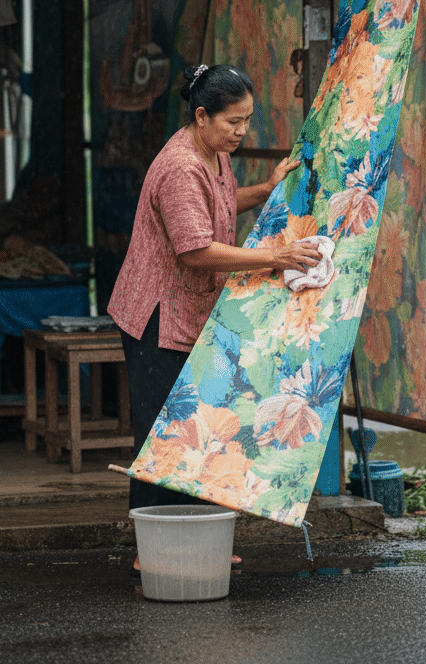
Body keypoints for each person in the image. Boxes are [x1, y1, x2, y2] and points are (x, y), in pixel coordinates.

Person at [107, 63, 322, 536]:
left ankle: (195, 541)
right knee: (161, 439)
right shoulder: (182, 166)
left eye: (247, 120)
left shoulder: (214, 153)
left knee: (201, 429)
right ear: (202, 116)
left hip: (188, 311)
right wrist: (275, 255)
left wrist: (264, 190)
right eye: (233, 121)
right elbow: (195, 249)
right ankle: (154, 552)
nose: (242, 132)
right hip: (156, 318)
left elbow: (219, 206)